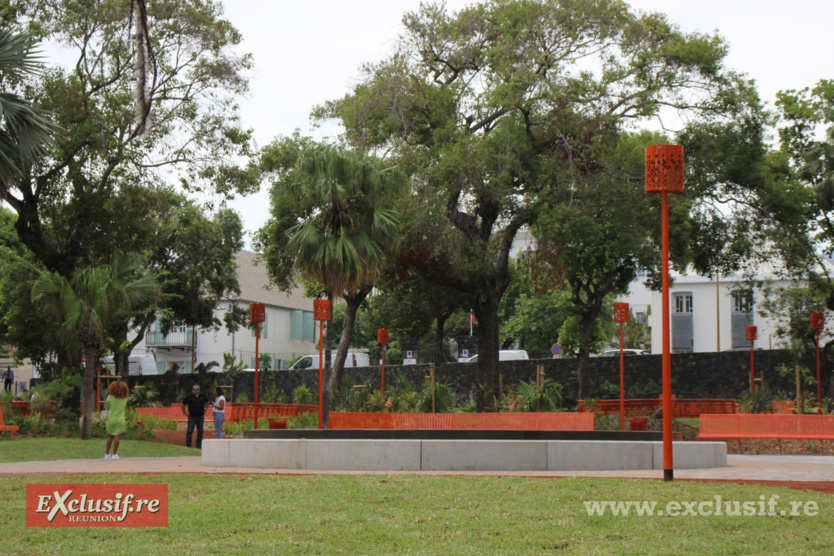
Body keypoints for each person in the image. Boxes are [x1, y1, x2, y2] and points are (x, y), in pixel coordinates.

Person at [104, 381, 129, 460]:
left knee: (110, 437)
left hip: (111, 419)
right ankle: (114, 454)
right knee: (117, 436)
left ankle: (106, 454)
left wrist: (107, 396)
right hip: (120, 420)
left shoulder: (110, 397)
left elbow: (107, 405)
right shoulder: (124, 399)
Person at [181, 384, 210, 449]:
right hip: (192, 417)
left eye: (196, 389)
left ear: (199, 390)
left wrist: (205, 409)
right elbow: (182, 404)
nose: (195, 391)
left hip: (200, 416)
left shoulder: (202, 396)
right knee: (190, 431)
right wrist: (184, 412)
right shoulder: (189, 397)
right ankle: (189, 446)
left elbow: (208, 401)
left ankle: (198, 446)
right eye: (194, 389)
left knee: (200, 431)